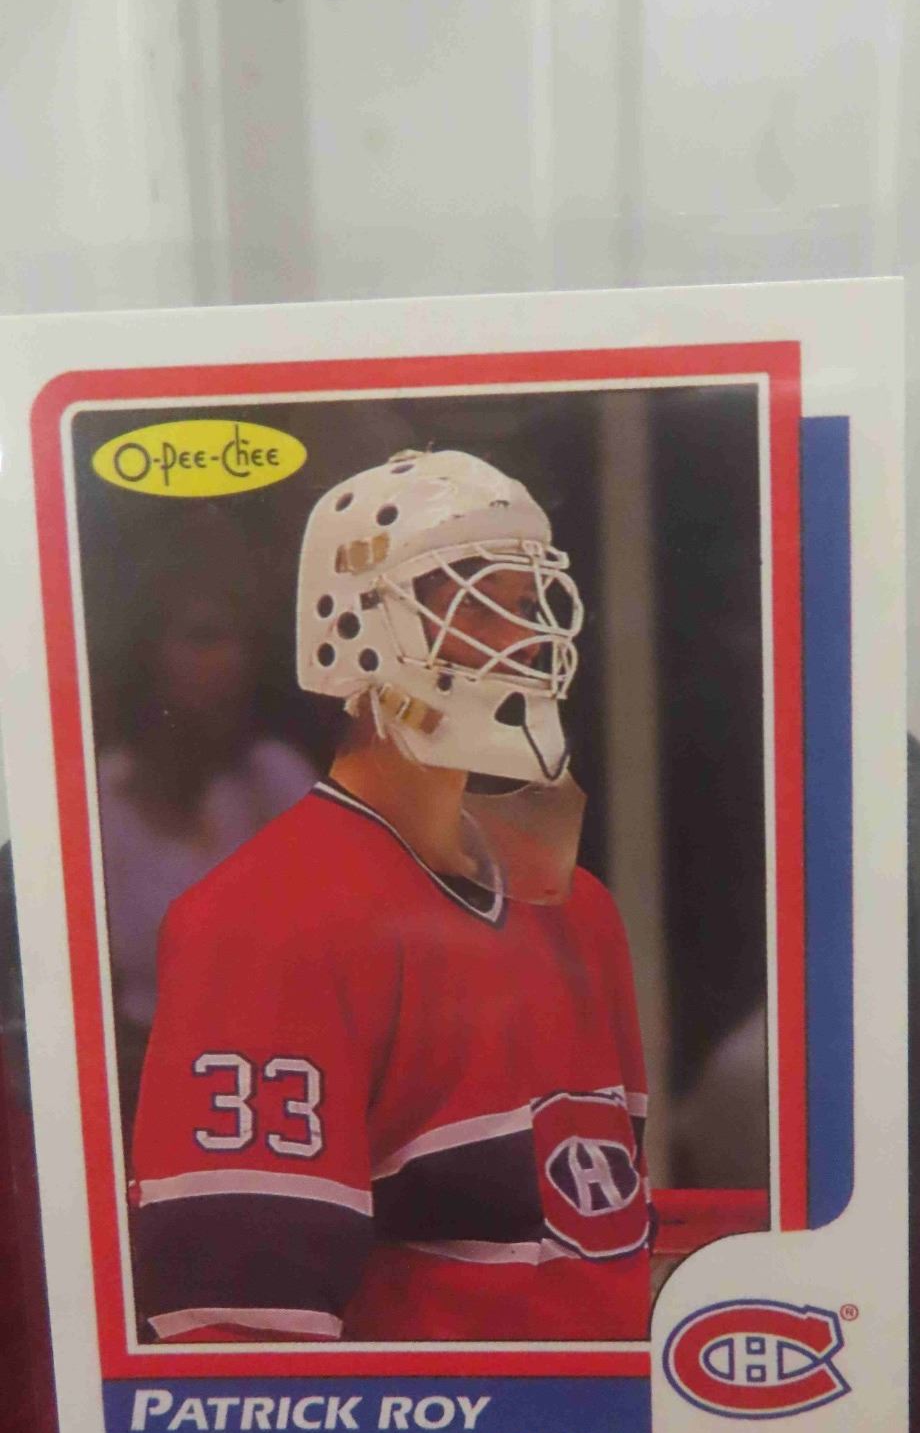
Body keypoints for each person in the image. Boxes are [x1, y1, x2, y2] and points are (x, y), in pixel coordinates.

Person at [129, 449, 651, 1344]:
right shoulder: (259, 923)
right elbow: (241, 1341)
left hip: (611, 1426)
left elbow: (598, 1253)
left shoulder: (580, 908)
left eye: (531, 604)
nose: (526, 638)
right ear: (360, 630)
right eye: (480, 605)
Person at [97, 553, 316, 1121]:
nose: (229, 660)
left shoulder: (279, 779)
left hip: (281, 1080)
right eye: (202, 638)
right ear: (147, 654)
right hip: (138, 1090)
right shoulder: (98, 801)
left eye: (241, 642)